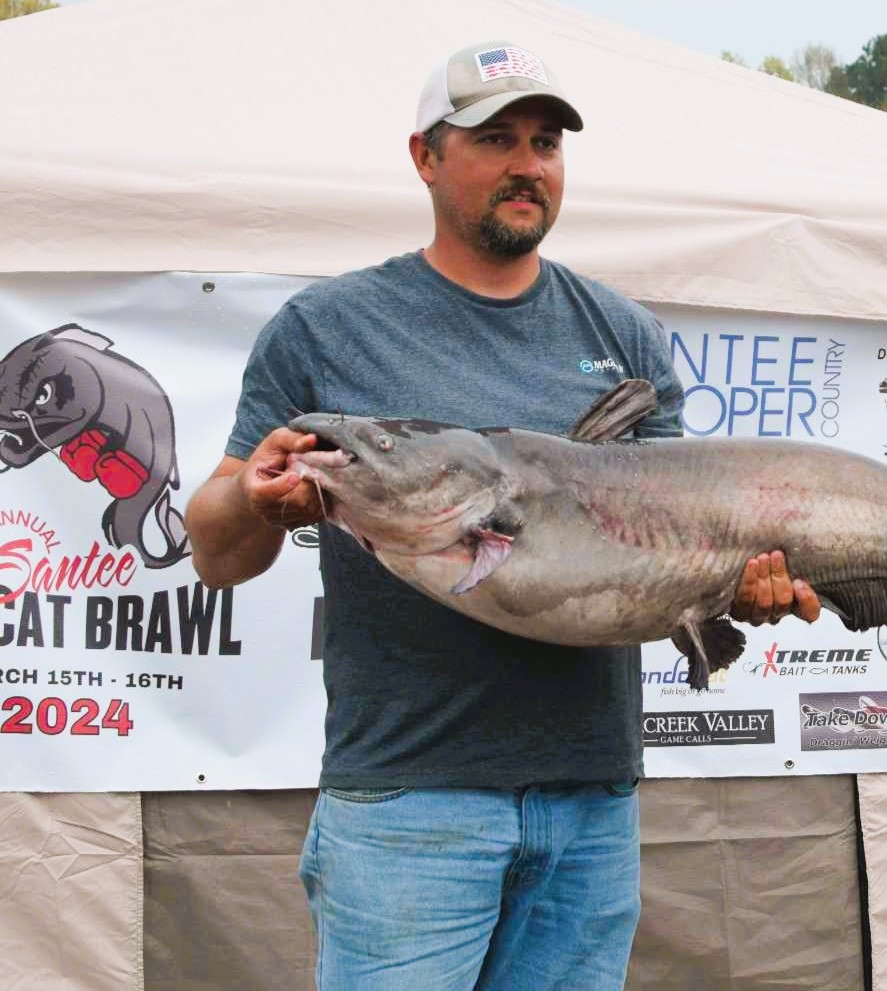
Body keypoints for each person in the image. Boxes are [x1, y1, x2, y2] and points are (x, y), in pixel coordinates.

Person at [185, 41, 816, 991]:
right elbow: (217, 553)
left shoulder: (622, 332)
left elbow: (679, 541)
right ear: (425, 156)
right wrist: (253, 497)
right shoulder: (326, 328)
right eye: (496, 139)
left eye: (546, 142)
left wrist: (743, 583)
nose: (528, 163)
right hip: (407, 805)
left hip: (590, 803)